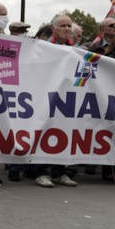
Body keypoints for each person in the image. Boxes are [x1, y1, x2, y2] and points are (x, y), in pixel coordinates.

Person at [33, 14, 79, 188]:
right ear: (54, 29)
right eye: (62, 26)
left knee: (64, 133)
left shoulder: (76, 49)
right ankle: (41, 172)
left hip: (66, 98)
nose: (67, 29)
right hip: (46, 96)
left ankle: (60, 172)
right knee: (44, 133)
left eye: (69, 25)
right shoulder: (44, 47)